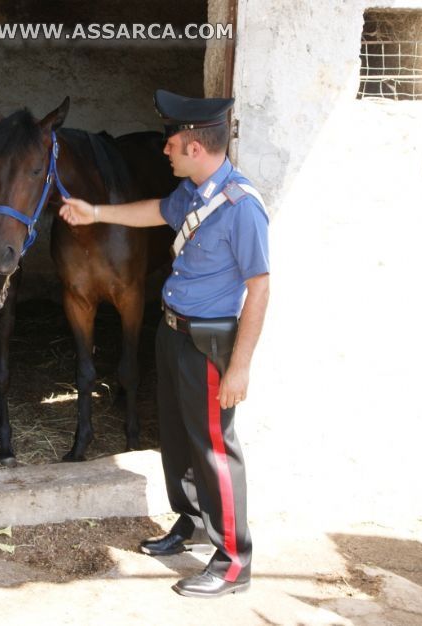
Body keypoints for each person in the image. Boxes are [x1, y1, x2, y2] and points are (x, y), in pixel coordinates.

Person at [59, 89, 270, 598]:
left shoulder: (241, 206)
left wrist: (239, 366)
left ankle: (234, 560)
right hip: (172, 331)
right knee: (176, 439)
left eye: (170, 142)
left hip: (210, 341)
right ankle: (192, 521)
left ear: (194, 147)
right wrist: (96, 212)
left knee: (216, 449)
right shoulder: (193, 192)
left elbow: (259, 287)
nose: (164, 150)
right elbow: (155, 210)